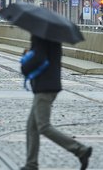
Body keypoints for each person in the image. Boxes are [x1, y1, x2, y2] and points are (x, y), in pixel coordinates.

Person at [21, 35, 92, 170]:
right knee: (32, 126)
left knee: (43, 126)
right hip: (50, 84)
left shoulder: (40, 36)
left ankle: (80, 149)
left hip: (44, 87)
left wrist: (25, 64)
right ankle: (31, 164)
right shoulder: (53, 36)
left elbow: (39, 58)